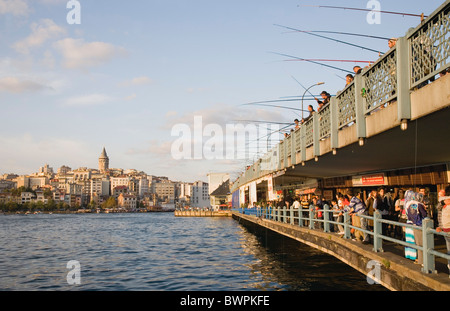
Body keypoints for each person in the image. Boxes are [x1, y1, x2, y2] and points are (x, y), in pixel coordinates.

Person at [405, 190, 428, 265]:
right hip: (420, 225)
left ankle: (419, 259)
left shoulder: (409, 205)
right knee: (423, 244)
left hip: (413, 225)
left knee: (417, 243)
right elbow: (424, 214)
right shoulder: (419, 205)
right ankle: (423, 261)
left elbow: (408, 215)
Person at [436, 186, 450, 273]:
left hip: (446, 229)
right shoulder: (443, 202)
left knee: (449, 250)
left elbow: (439, 213)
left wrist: (440, 226)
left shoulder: (443, 203)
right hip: (446, 228)